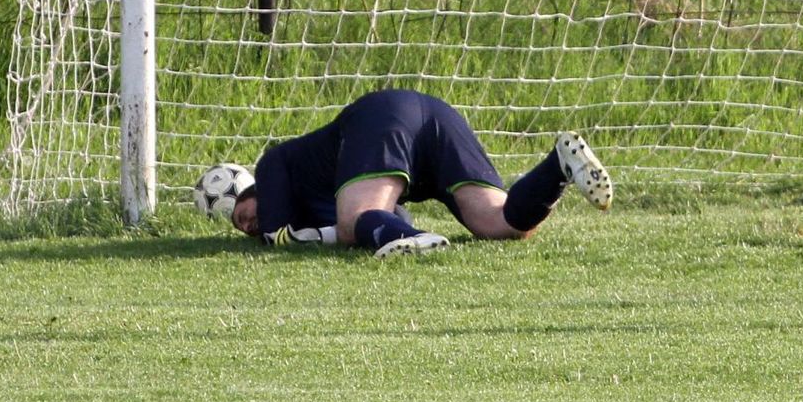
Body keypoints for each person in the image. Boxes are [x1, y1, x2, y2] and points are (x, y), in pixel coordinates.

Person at [223, 88, 614, 256]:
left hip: (381, 116)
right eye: (243, 228)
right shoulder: (318, 199)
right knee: (502, 224)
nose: (250, 225)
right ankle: (558, 165)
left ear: (252, 192)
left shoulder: (273, 164)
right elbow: (390, 216)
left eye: (243, 215)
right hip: (436, 116)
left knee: (355, 220)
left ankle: (417, 242)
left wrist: (342, 232)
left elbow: (279, 236)